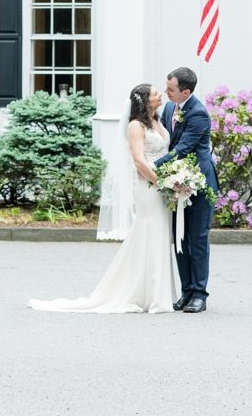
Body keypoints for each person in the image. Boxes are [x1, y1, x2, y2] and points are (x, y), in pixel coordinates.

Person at [28, 84, 177, 314]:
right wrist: (162, 182)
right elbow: (139, 161)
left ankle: (156, 293)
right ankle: (141, 293)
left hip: (161, 186)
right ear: (145, 100)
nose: (160, 95)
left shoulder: (158, 122)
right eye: (155, 93)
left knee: (159, 234)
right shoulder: (135, 126)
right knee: (149, 232)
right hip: (149, 187)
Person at [155, 66, 217, 314]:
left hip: (199, 183)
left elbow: (183, 147)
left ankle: (200, 294)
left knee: (198, 239)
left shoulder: (199, 113)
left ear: (186, 91)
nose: (166, 93)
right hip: (175, 183)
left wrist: (152, 166)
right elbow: (163, 139)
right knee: (180, 238)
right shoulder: (170, 107)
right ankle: (186, 291)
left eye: (170, 89)